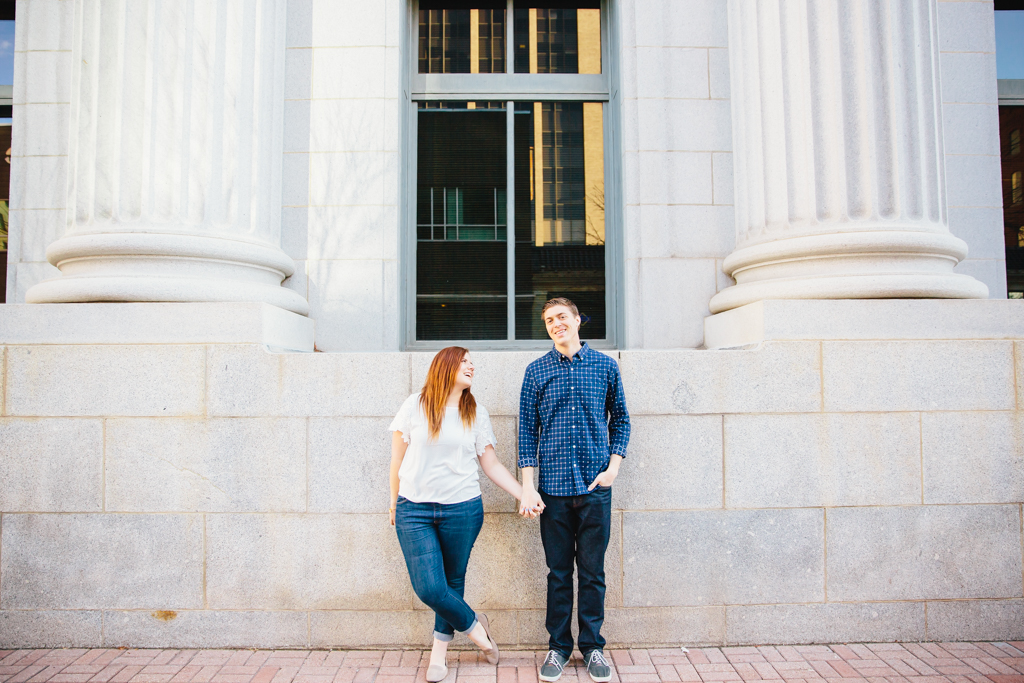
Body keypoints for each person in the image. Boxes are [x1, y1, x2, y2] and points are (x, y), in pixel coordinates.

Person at [389, 346, 534, 682]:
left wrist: (524, 493)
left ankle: (438, 654)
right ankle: (477, 631)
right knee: (430, 588)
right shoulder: (414, 405)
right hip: (414, 509)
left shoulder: (475, 412)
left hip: (463, 509)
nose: (472, 366)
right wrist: (394, 501)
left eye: (473, 363)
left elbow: (491, 464)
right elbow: (396, 459)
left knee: (453, 583)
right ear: (446, 365)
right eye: (465, 361)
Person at [517, 298, 631, 683]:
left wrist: (613, 468)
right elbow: (526, 434)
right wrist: (527, 488)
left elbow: (622, 421)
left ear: (578, 320)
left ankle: (594, 647)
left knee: (593, 572)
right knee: (559, 573)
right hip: (552, 493)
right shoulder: (536, 372)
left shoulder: (605, 367)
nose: (555, 324)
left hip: (595, 487)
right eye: (548, 320)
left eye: (561, 317)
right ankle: (559, 647)